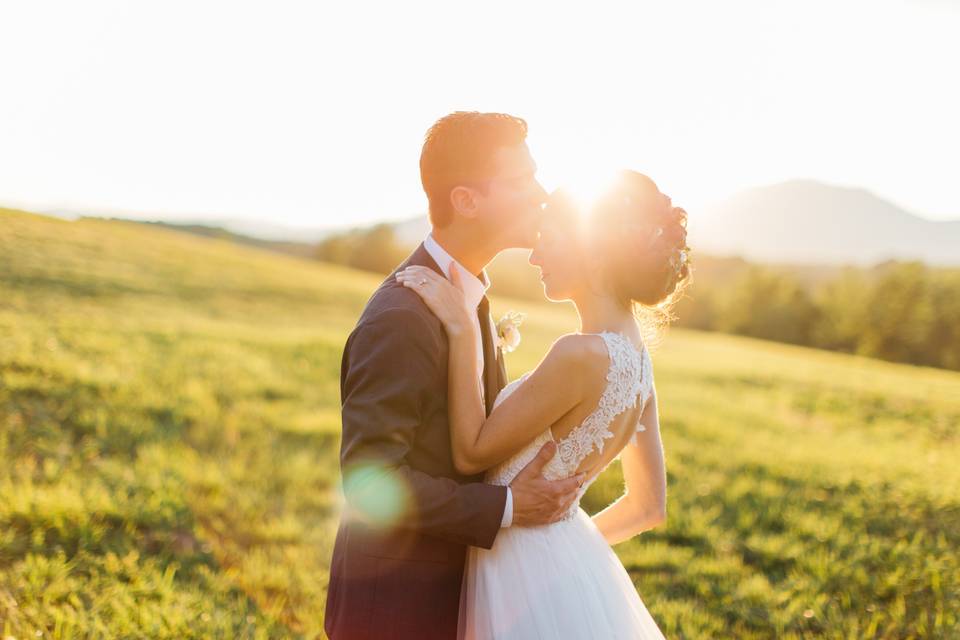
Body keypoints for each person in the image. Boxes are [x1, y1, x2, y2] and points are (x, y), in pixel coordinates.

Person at [396, 169, 691, 638]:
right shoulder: (639, 365)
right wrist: (565, 544)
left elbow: (471, 451)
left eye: (547, 240)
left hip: (516, 573)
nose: (534, 256)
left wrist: (461, 328)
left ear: (591, 249)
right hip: (565, 563)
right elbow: (646, 508)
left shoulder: (579, 354)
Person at [324, 112, 584, 640]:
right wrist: (510, 506)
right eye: (520, 180)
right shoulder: (401, 318)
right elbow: (371, 481)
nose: (540, 193)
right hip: (396, 611)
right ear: (466, 200)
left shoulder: (469, 300)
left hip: (455, 600)